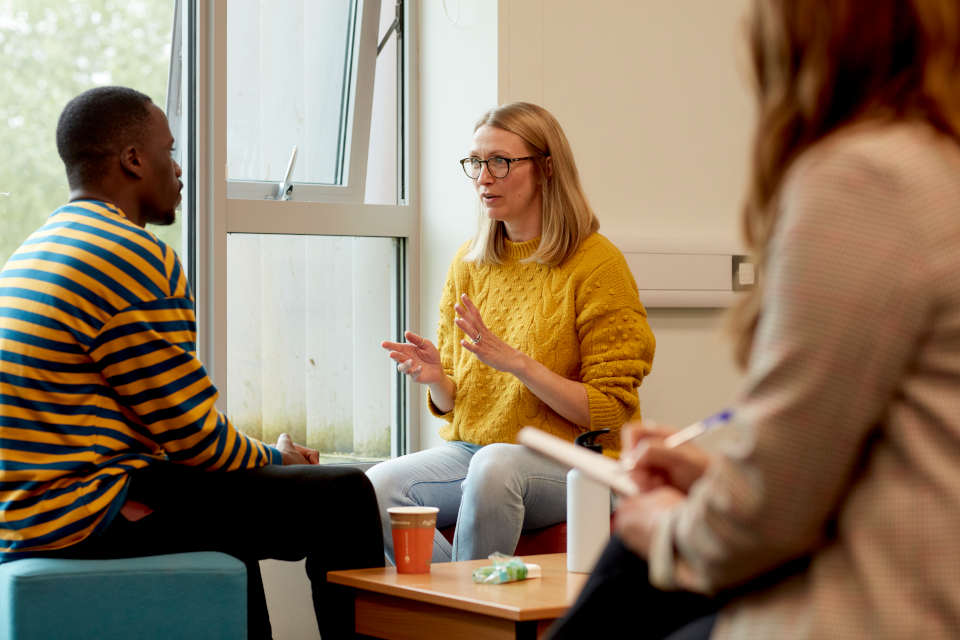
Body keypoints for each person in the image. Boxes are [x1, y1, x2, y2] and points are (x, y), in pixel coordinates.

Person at [549, 0, 960, 638]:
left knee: (628, 560)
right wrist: (716, 477)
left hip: (877, 610)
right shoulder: (939, 170)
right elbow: (908, 458)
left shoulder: (869, 178)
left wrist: (660, 524)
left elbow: (770, 512)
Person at [0, 86, 383, 639]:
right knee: (342, 494)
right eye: (169, 152)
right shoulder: (128, 254)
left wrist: (261, 461)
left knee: (232, 514)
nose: (178, 171)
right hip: (82, 514)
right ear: (133, 159)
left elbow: (161, 430)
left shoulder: (36, 249)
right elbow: (196, 442)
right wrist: (275, 457)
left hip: (25, 511)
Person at [367, 102, 656, 563]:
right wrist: (438, 378)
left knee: (494, 466)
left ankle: (470, 619)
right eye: (477, 163)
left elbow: (610, 412)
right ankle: (462, 609)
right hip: (473, 449)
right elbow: (452, 408)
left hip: (579, 460)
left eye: (500, 162)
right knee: (372, 488)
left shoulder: (597, 265)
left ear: (545, 168)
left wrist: (518, 364)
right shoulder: (469, 262)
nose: (484, 177)